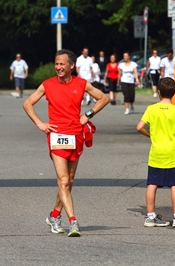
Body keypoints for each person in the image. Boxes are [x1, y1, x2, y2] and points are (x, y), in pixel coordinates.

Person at [23, 49, 109, 237]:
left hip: (75, 135)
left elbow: (104, 98)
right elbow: (27, 103)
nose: (58, 67)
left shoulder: (81, 83)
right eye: (56, 64)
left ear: (72, 66)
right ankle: (73, 221)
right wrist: (40, 123)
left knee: (68, 181)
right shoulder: (47, 84)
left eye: (62, 64)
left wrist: (87, 115)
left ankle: (54, 215)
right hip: (56, 136)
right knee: (62, 180)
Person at [136, 77, 175, 228]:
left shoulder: (151, 109)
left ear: (159, 92)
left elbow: (139, 127)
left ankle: (151, 216)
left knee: (152, 184)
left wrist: (150, 135)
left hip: (157, 152)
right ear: (174, 92)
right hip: (173, 152)